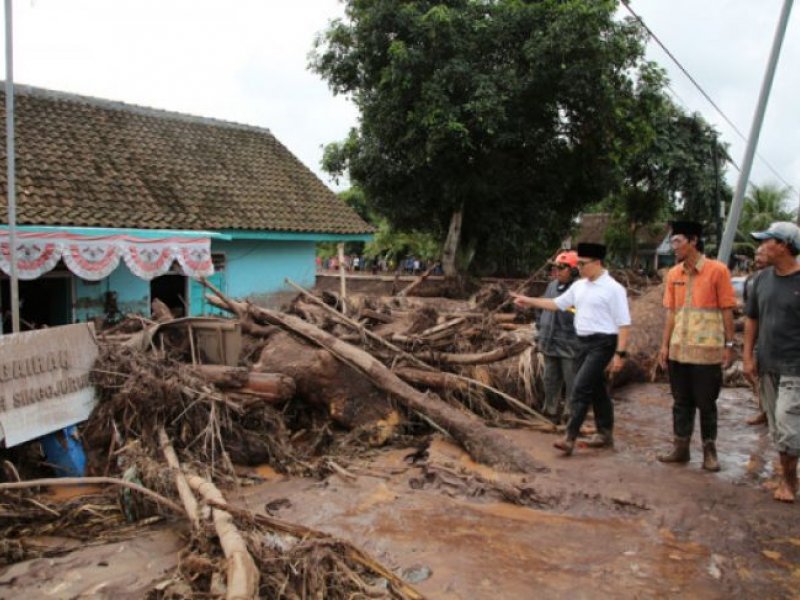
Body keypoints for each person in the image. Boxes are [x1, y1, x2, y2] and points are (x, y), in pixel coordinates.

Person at [511, 242, 631, 455]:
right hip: (582, 343)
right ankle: (605, 433)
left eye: (583, 264)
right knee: (597, 389)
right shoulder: (580, 286)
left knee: (580, 387)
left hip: (603, 343)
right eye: (578, 265)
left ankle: (569, 437)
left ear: (597, 263)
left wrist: (620, 354)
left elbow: (623, 324)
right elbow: (556, 304)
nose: (580, 269)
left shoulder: (614, 289)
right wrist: (528, 301)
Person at [657, 221, 736, 472]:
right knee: (681, 402)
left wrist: (729, 345)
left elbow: (727, 310)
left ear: (693, 241)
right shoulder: (673, 274)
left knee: (706, 403)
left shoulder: (717, 271)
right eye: (672, 242)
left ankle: (709, 452)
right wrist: (664, 346)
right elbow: (671, 314)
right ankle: (681, 448)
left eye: (678, 241)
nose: (674, 246)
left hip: (707, 352)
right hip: (679, 351)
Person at [743, 221, 800, 503]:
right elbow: (752, 319)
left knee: (787, 425)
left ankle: (789, 482)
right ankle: (789, 474)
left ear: (785, 246)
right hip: (768, 365)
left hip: (796, 369)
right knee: (778, 428)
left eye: (768, 241)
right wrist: (747, 356)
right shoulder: (761, 281)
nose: (762, 246)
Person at [535, 251, 580, 422]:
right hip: (550, 342)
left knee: (572, 381)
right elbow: (541, 309)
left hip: (570, 344)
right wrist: (540, 331)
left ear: (574, 270)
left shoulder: (580, 289)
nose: (557, 271)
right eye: (556, 268)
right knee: (550, 378)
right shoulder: (552, 286)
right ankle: (550, 410)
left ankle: (571, 413)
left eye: (562, 268)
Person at [743, 245, 768, 426]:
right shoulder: (753, 280)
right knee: (755, 374)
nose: (757, 258)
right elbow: (750, 312)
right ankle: (764, 409)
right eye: (756, 254)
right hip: (760, 336)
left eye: (762, 254)